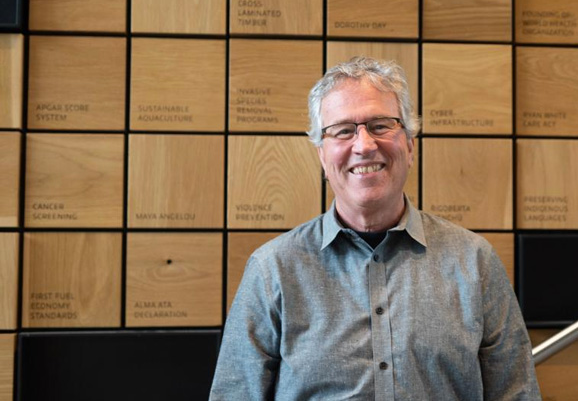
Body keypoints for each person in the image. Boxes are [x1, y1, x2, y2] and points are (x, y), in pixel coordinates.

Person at [209, 57, 542, 400]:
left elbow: (516, 394)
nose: (364, 145)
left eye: (381, 125)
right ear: (323, 156)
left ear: (410, 145)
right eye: (343, 131)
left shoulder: (475, 262)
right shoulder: (273, 270)